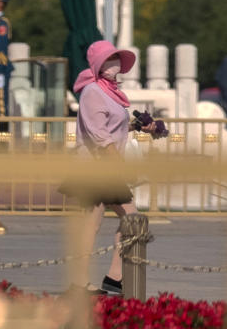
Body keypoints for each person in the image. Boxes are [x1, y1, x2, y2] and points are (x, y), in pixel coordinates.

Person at [61, 40, 165, 295]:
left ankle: (109, 277)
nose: (115, 63)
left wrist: (140, 127)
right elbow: (98, 134)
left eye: (117, 58)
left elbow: (112, 128)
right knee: (129, 220)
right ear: (98, 64)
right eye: (110, 59)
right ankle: (98, 279)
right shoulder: (93, 91)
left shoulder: (109, 92)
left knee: (108, 223)